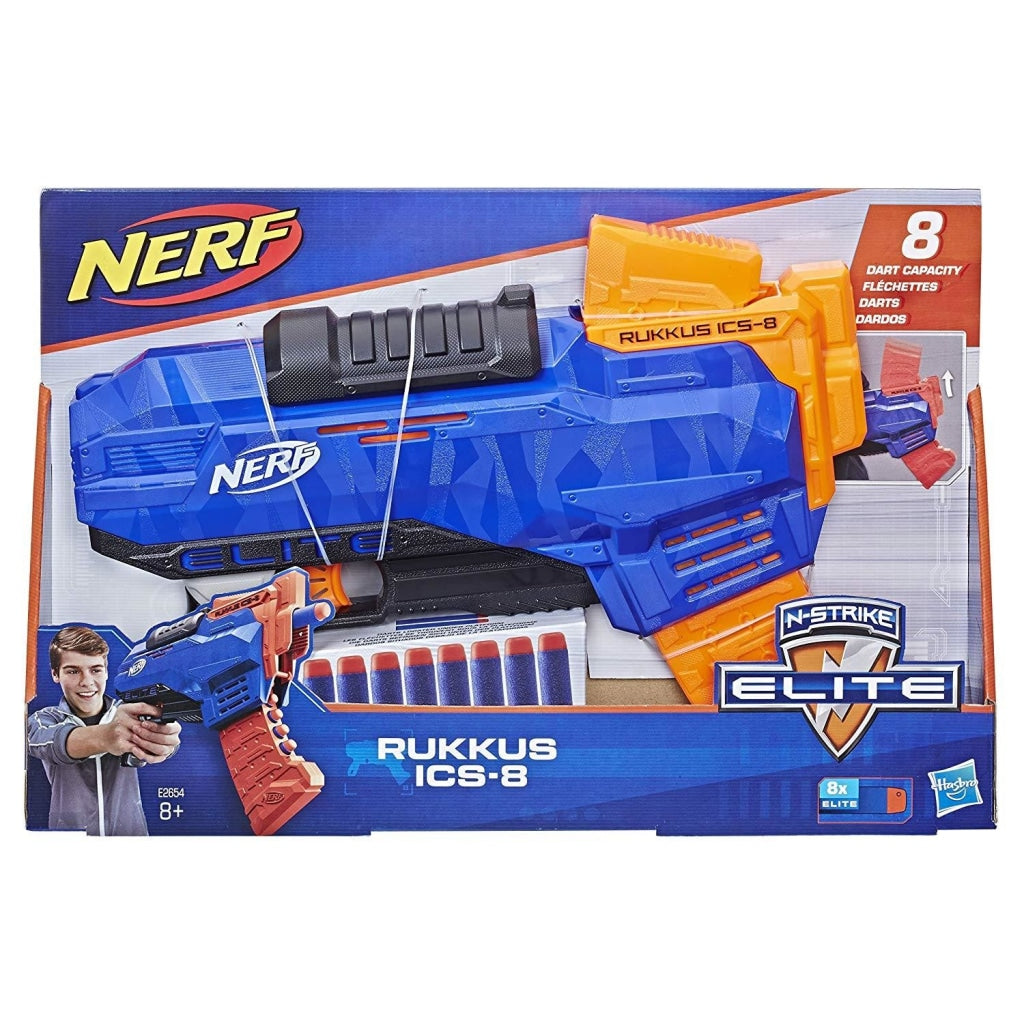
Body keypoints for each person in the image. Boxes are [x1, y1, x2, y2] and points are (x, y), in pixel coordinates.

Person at [27, 625, 181, 836]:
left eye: (96, 670)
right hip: (70, 844)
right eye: (73, 671)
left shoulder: (130, 711)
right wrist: (107, 736)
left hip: (132, 840)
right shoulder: (42, 720)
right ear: (55, 674)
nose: (86, 682)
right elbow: (51, 743)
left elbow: (168, 741)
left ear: (107, 672)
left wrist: (163, 740)